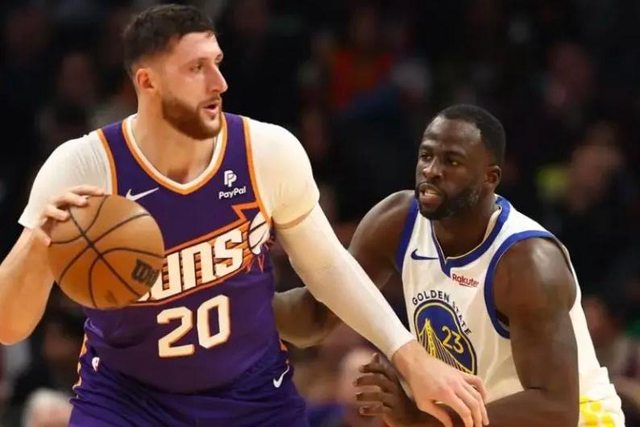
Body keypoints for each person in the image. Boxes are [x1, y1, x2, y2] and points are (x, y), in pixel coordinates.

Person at [0, 5, 487, 427]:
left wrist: (412, 357)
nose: (219, 83)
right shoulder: (85, 167)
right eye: (196, 68)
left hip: (252, 395)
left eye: (217, 63)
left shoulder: (265, 151)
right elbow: (9, 327)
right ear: (147, 82)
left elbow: (327, 268)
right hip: (128, 401)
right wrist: (36, 242)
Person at [274, 104, 625, 426]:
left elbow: (556, 408)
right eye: (426, 156)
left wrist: (422, 423)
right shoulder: (396, 222)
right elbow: (315, 317)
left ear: (490, 178)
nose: (432, 171)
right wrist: (244, 295)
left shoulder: (526, 262)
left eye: (451, 162)